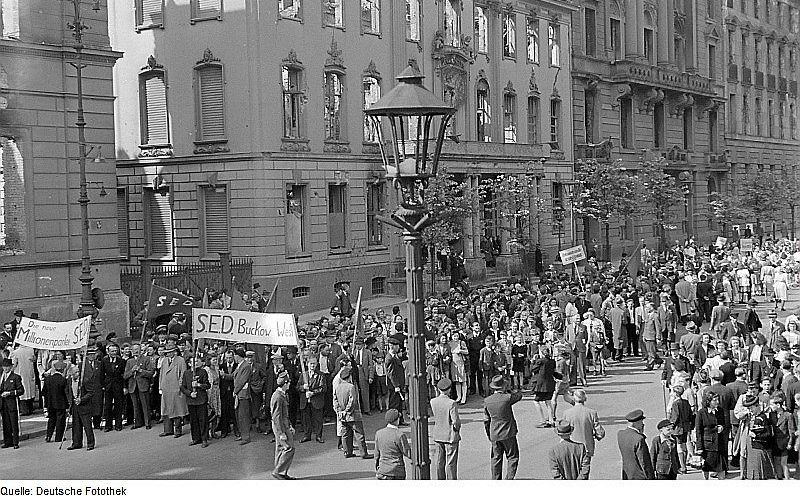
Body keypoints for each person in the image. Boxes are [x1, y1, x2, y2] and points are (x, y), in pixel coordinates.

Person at [483, 375, 522, 480]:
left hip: (494, 432)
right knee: (513, 457)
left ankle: (496, 480)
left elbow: (486, 420)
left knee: (496, 458)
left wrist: (489, 434)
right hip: (508, 432)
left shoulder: (487, 400)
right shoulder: (507, 398)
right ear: (503, 386)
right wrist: (510, 390)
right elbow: (519, 395)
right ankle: (509, 479)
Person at [333, 367, 373, 459]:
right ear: (349, 377)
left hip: (342, 416)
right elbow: (352, 401)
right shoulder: (351, 387)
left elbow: (335, 401)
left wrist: (340, 412)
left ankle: (347, 452)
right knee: (359, 434)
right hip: (353, 415)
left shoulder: (338, 387)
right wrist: (347, 411)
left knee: (346, 434)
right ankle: (363, 453)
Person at [563, 389, 605, 469]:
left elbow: (564, 429)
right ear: (585, 399)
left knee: (572, 469)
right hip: (586, 446)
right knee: (584, 470)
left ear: (574, 399)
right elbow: (600, 432)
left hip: (571, 446)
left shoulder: (567, 413)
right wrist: (597, 436)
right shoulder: (592, 413)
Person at [431, 378, 461, 480]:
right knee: (451, 463)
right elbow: (455, 421)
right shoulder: (451, 403)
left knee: (439, 461)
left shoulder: (433, 401)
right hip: (450, 435)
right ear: (449, 389)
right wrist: (456, 429)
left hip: (438, 434)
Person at [66, 361, 98, 451]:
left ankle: (90, 443)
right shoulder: (69, 380)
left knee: (87, 425)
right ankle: (76, 443)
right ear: (71, 374)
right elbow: (68, 391)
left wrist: (82, 399)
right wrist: (70, 402)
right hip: (75, 406)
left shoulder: (85, 380)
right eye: (75, 372)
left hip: (84, 405)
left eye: (78, 372)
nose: (78, 374)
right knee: (76, 425)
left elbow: (90, 392)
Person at [123, 343, 155, 430]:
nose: (135, 351)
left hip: (143, 385)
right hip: (133, 386)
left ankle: (147, 422)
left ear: (140, 350)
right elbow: (125, 375)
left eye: (137, 350)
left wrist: (140, 370)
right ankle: (137, 422)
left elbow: (151, 373)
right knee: (135, 406)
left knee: (145, 405)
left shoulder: (146, 359)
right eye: (134, 350)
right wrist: (132, 371)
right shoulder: (129, 361)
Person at [158, 344, 188, 438]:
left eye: (170, 352)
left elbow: (183, 374)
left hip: (176, 388)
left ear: (174, 352)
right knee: (166, 409)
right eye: (166, 353)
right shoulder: (164, 361)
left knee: (177, 410)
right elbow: (161, 374)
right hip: (166, 389)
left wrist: (181, 387)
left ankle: (178, 430)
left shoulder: (180, 360)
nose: (168, 354)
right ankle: (167, 430)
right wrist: (160, 387)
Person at [271, 371, 296, 480]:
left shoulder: (282, 395)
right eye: (288, 383)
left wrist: (290, 425)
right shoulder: (278, 397)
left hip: (284, 425)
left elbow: (285, 414)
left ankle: (281, 472)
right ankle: (278, 471)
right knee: (289, 448)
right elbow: (276, 417)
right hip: (280, 426)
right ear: (285, 383)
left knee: (281, 448)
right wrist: (281, 433)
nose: (289, 384)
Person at [695, 392, 726, 480]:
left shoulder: (720, 410)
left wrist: (721, 427)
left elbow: (723, 423)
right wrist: (699, 447)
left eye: (717, 400)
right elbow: (698, 431)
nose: (717, 402)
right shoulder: (701, 412)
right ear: (708, 401)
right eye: (714, 400)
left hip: (719, 444)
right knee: (706, 468)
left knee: (721, 469)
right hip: (707, 446)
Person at [181, 355, 210, 447]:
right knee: (193, 420)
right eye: (193, 362)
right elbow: (182, 387)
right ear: (189, 364)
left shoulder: (203, 372)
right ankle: (196, 438)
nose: (195, 363)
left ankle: (204, 438)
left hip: (201, 400)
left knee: (203, 419)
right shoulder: (186, 373)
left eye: (197, 361)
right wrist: (190, 393)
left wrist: (199, 385)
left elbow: (207, 385)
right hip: (191, 400)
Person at [373, 409, 411, 480]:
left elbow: (377, 454)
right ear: (397, 420)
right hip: (396, 471)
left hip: (383, 470)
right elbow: (407, 452)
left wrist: (378, 468)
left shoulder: (379, 433)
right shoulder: (400, 435)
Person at [617, 409, 654, 480]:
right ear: (635, 423)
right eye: (641, 421)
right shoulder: (639, 439)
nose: (643, 424)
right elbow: (644, 461)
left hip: (627, 474)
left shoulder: (620, 434)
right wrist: (650, 477)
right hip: (639, 476)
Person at [298, 356, 326, 443]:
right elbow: (297, 386)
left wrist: (313, 393)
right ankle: (307, 435)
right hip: (305, 401)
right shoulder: (303, 374)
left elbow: (323, 388)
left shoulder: (321, 375)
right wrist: (303, 387)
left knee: (318, 419)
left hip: (316, 400)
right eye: (311, 364)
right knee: (306, 419)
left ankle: (318, 436)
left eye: (314, 364)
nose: (312, 365)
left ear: (317, 364)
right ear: (307, 364)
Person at [42, 360, 69, 443]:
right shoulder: (63, 380)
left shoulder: (48, 379)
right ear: (63, 370)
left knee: (51, 419)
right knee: (60, 420)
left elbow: (43, 392)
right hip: (61, 403)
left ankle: (48, 435)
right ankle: (58, 437)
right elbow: (66, 393)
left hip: (50, 403)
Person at [100, 343, 126, 432]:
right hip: (108, 386)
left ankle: (118, 425)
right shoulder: (104, 360)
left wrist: (124, 386)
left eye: (115, 351)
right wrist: (103, 385)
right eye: (112, 351)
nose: (114, 353)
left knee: (118, 405)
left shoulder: (121, 361)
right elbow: (101, 374)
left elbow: (123, 375)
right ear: (108, 352)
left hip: (118, 385)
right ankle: (108, 425)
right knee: (108, 405)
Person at [0, 357, 24, 448]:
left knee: (13, 423)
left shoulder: (15, 377)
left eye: (7, 366)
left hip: (12, 403)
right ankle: (7, 441)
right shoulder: (1, 377)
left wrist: (10, 393)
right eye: (4, 366)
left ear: (11, 367)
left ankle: (15, 442)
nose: (5, 368)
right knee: (6, 424)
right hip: (3, 403)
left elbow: (21, 390)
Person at [531, 347, 557, 428]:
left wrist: (533, 361)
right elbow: (553, 372)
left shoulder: (540, 361)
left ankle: (542, 420)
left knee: (536, 401)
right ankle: (551, 420)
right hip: (550, 383)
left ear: (541, 352)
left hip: (541, 385)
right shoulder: (552, 361)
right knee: (548, 401)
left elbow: (533, 369)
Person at [232, 348, 252, 445]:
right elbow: (234, 376)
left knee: (244, 416)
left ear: (238, 356)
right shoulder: (239, 366)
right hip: (239, 394)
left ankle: (246, 436)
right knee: (239, 416)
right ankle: (242, 434)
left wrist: (235, 391)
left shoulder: (246, 366)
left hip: (243, 394)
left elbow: (242, 381)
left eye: (234, 355)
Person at [218, 350, 238, 438]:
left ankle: (236, 430)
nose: (228, 359)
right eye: (227, 358)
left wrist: (225, 375)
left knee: (234, 412)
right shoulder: (221, 366)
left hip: (234, 391)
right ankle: (224, 430)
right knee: (224, 411)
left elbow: (234, 377)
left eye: (230, 357)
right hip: (224, 392)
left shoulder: (237, 366)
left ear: (233, 357)